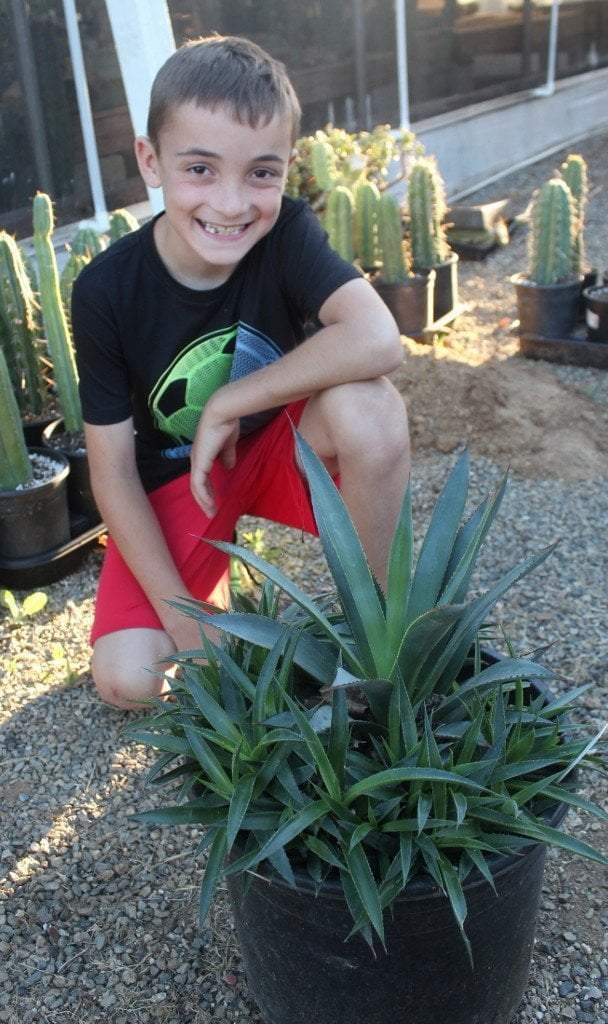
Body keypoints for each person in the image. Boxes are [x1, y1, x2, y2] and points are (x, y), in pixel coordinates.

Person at [72, 34, 410, 712]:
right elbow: (110, 471)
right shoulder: (106, 289)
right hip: (177, 483)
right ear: (150, 160)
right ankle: (207, 593)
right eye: (199, 168)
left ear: (286, 170)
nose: (230, 205)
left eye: (261, 173)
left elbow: (377, 336)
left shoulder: (285, 230)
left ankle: (382, 639)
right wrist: (183, 625)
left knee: (367, 406)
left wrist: (231, 401)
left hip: (275, 452)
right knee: (129, 682)